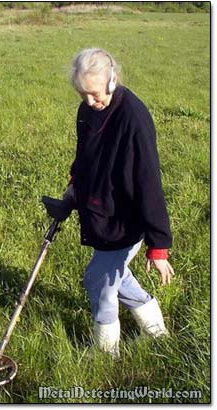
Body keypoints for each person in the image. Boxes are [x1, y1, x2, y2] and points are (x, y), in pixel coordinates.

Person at [43, 48, 175, 358]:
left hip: (125, 217)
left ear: (112, 80)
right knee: (114, 274)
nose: (90, 101)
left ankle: (106, 353)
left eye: (95, 93)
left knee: (99, 280)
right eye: (82, 93)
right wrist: (74, 186)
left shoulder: (134, 117)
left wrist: (158, 246)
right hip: (98, 210)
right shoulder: (87, 110)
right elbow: (85, 156)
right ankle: (157, 332)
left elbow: (148, 182)